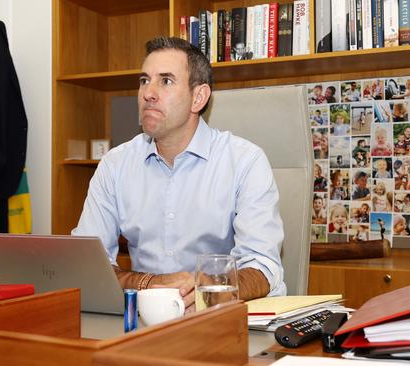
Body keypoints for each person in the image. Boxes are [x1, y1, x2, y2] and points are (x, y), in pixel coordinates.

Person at [72, 37, 285, 312]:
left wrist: (205, 286)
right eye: (144, 80)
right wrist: (153, 283)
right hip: (147, 320)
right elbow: (88, 267)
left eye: (166, 81)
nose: (148, 92)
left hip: (225, 320)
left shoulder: (245, 161)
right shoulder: (115, 164)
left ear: (198, 97)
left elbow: (262, 268)